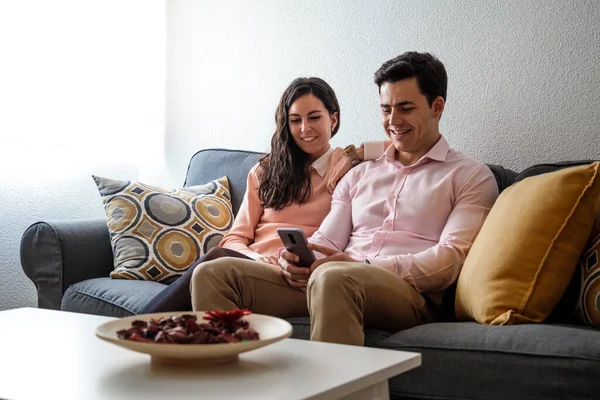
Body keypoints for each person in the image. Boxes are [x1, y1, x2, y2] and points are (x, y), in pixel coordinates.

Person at [190, 52, 499, 346]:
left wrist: (362, 264)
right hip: (334, 281)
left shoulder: (470, 176)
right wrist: (298, 260)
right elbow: (327, 240)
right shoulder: (358, 174)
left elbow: (450, 260)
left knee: (334, 278)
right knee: (214, 274)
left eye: (405, 108)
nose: (393, 120)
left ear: (437, 106)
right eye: (385, 109)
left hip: (408, 295)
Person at [142, 77, 384, 313]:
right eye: (295, 120)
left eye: (314, 118)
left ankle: (139, 326)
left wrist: (358, 153)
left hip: (298, 273)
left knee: (214, 261)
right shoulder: (265, 170)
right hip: (253, 265)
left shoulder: (349, 168)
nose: (304, 128)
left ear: (333, 119)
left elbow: (410, 145)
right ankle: (146, 328)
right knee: (217, 258)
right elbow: (234, 238)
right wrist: (256, 258)